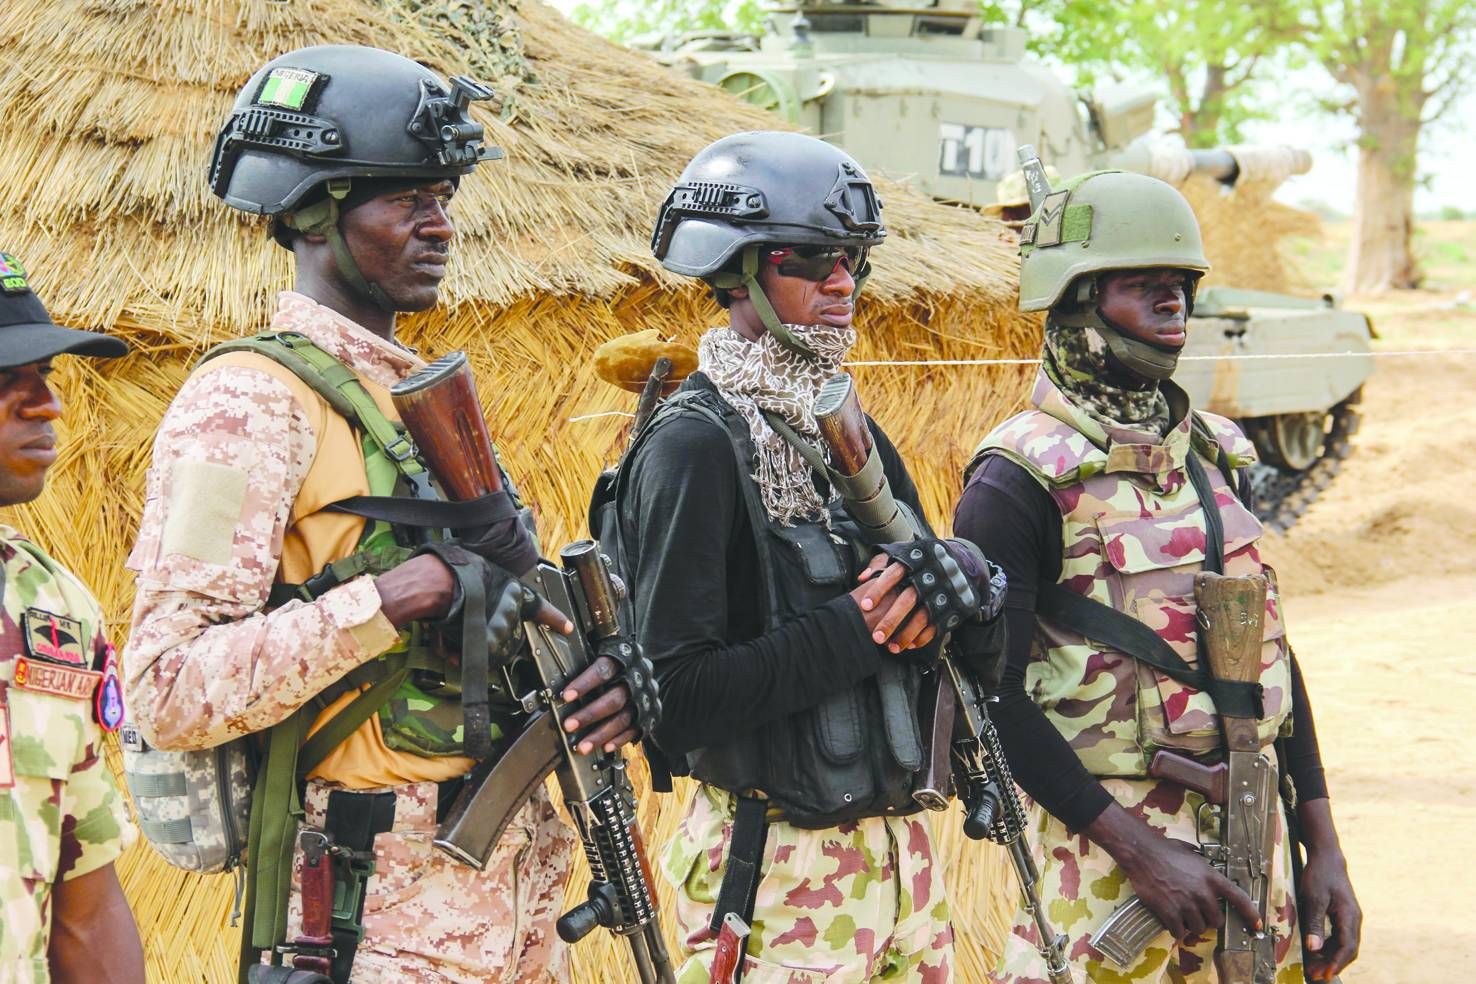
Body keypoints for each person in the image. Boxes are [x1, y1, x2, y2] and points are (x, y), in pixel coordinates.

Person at [123, 46, 640, 983]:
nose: (440, 225)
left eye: (443, 197)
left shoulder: (413, 403)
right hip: (368, 919)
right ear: (312, 212)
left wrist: (598, 676)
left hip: (507, 913)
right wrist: (396, 597)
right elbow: (167, 689)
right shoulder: (248, 403)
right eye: (405, 199)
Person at [955, 168, 1361, 984]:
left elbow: (1269, 657)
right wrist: (1140, 852)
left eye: (1181, 284)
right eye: (1143, 284)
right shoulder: (1016, 479)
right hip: (1104, 867)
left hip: (1253, 843)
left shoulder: (1217, 456)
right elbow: (985, 698)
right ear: (1076, 299)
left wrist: (1323, 842)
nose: (1173, 304)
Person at [623, 130, 1002, 982]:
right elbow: (673, 701)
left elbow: (955, 654)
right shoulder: (694, 447)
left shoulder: (851, 432)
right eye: (811, 258)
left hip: (905, 869)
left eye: (854, 261)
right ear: (737, 271)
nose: (842, 283)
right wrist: (865, 626)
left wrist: (971, 589)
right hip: (772, 879)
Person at [0, 252, 144, 984]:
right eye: (5, 379)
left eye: (44, 374)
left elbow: (84, 899)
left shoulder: (51, 606)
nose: (46, 404)